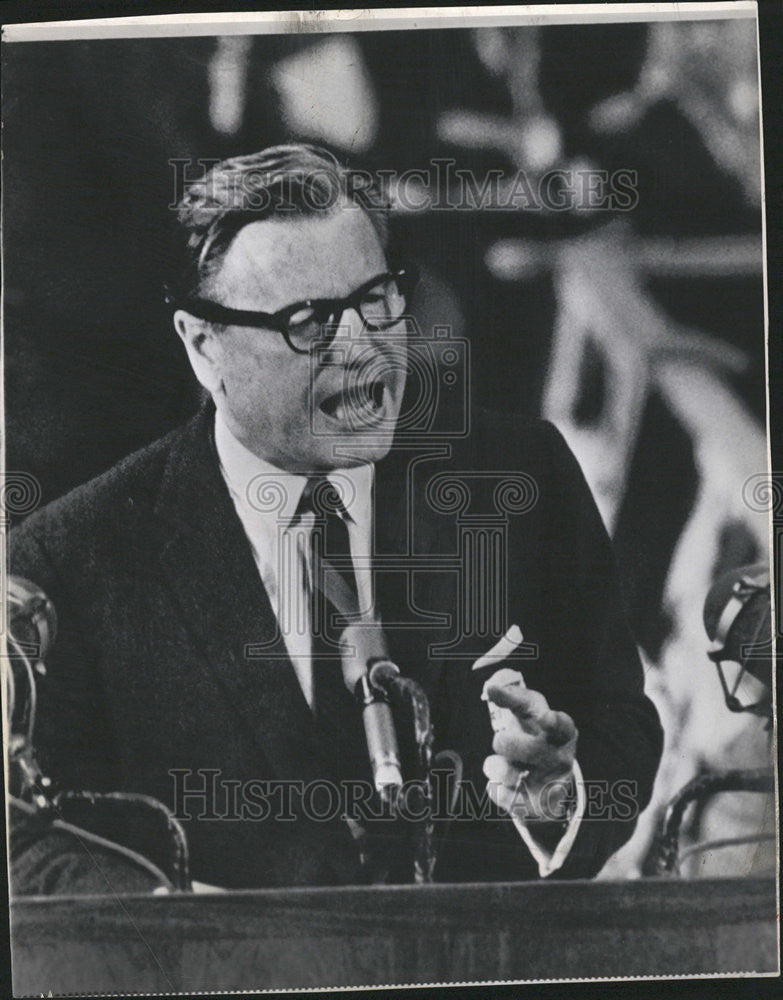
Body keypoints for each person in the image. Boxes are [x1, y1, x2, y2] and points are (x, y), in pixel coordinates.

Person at [9, 144, 662, 891]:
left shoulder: (521, 476)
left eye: (376, 299)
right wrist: (183, 931)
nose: (362, 349)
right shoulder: (66, 561)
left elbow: (617, 720)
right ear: (202, 346)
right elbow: (26, 838)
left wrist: (559, 797)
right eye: (309, 321)